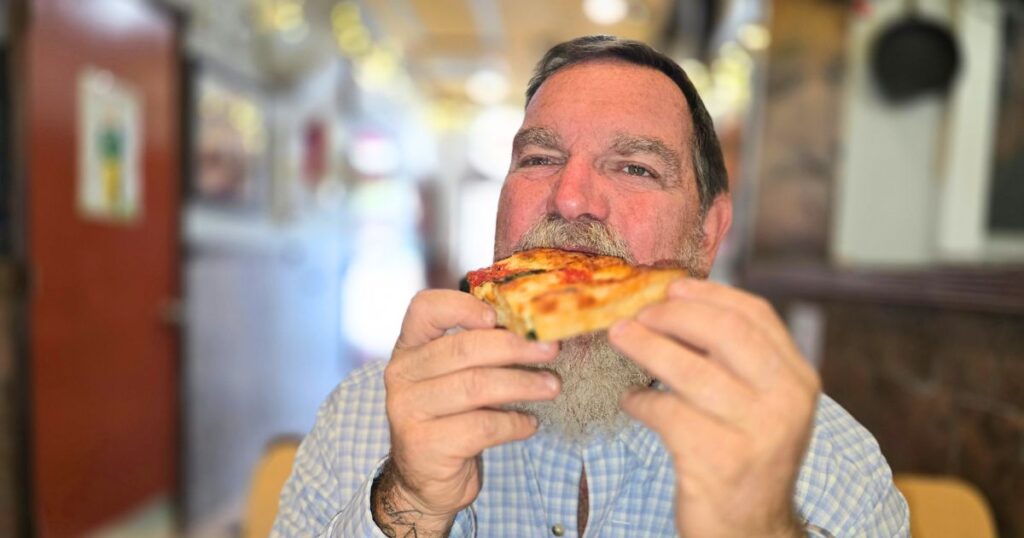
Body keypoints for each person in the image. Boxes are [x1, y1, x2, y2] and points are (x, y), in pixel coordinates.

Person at [272, 35, 909, 537]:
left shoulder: (824, 459)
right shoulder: (368, 415)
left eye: (635, 167)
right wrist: (407, 502)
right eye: (539, 159)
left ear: (708, 235)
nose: (570, 197)